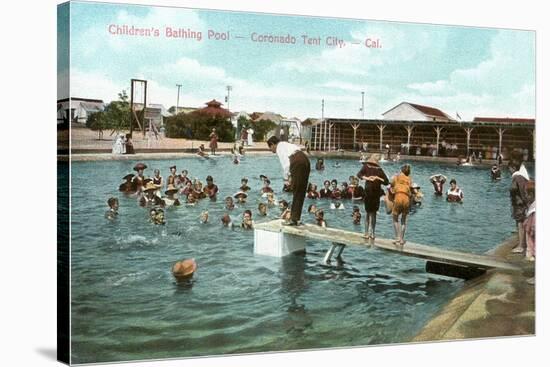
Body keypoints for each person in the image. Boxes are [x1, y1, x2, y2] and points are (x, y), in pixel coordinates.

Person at [267, 136, 311, 226]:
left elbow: (286, 164)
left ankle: (293, 219)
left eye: (270, 148)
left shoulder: (279, 147)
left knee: (296, 191)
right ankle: (296, 218)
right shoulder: (287, 144)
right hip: (305, 159)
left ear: (272, 144)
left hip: (297, 161)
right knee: (301, 191)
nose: (271, 151)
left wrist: (287, 178)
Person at [357, 153, 389, 240]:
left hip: (374, 193)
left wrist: (378, 178)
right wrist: (368, 178)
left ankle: (371, 233)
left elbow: (386, 182)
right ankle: (368, 233)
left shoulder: (378, 169)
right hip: (369, 193)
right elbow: (359, 175)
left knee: (371, 213)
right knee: (369, 213)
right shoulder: (367, 167)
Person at [508, 151, 530, 254]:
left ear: (513, 167)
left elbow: (523, 191)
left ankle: (521, 246)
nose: (508, 170)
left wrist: (527, 204)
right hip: (517, 204)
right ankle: (521, 243)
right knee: (519, 224)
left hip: (520, 204)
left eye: (509, 168)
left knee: (520, 224)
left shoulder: (518, 177)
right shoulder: (519, 175)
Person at [390, 164, 413, 245]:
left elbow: (391, 183)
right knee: (403, 220)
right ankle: (402, 239)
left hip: (398, 196)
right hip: (406, 198)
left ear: (401, 170)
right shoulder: (409, 179)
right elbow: (410, 188)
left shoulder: (397, 176)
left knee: (395, 218)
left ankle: (397, 238)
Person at [524, 181, 535, 262]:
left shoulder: (534, 209)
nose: (525, 196)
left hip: (532, 240)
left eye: (526, 194)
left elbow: (533, 226)